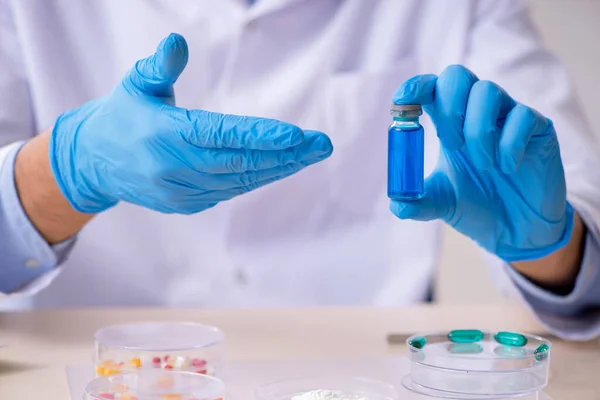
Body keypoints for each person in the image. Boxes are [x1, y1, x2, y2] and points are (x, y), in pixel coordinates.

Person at [0, 0, 599, 339]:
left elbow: (579, 197)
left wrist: (551, 246)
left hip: (358, 370)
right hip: (87, 368)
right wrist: (61, 171)